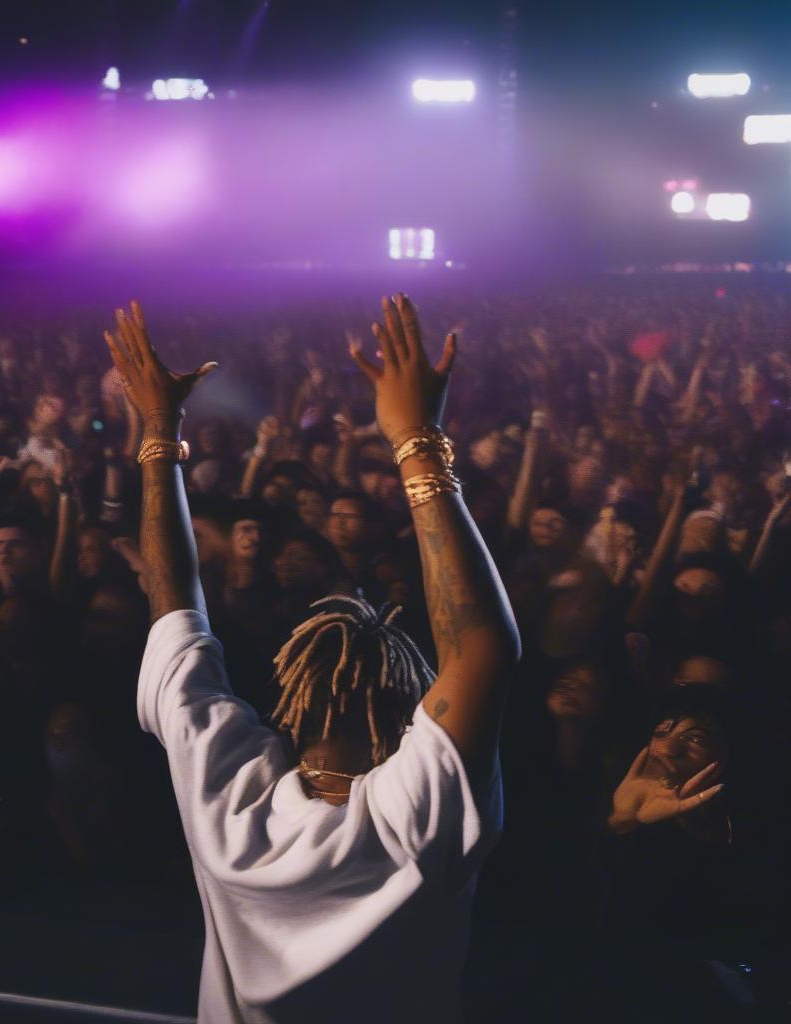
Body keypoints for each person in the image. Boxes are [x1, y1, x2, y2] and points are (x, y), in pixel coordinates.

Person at [107, 294, 519, 1023]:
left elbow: (171, 605)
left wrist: (159, 431)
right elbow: (481, 642)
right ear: (410, 709)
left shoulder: (227, 797)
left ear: (290, 700)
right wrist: (415, 434)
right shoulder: (415, 816)